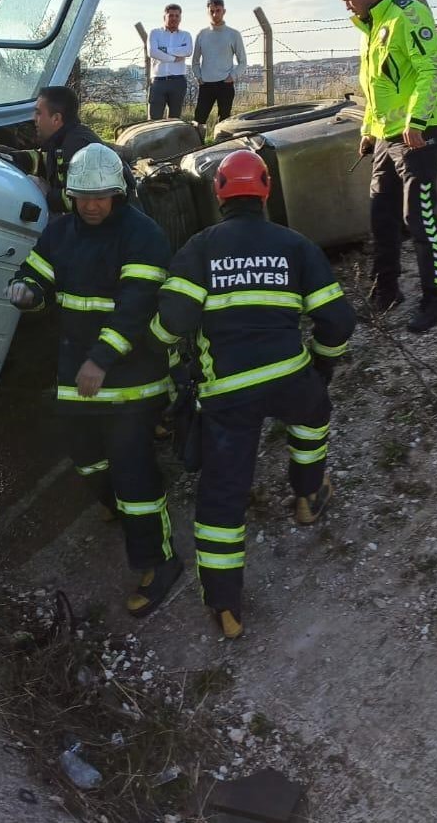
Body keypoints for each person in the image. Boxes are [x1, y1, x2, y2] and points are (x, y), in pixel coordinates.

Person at [152, 150, 355, 639]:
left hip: (229, 395)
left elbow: (171, 324)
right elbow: (337, 320)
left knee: (222, 497)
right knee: (313, 415)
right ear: (266, 190)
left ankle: (226, 607)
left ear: (219, 193)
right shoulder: (295, 245)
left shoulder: (201, 247)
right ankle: (308, 494)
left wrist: (166, 349)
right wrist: (322, 367)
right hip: (289, 377)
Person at [7, 143, 180, 616]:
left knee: (133, 471)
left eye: (101, 197)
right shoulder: (60, 233)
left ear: (118, 193)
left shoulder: (143, 236)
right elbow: (36, 275)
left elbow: (136, 307)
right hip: (77, 376)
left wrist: (100, 360)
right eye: (83, 197)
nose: (92, 206)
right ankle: (114, 503)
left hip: (132, 380)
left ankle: (159, 562)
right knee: (85, 459)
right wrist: (28, 292)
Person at [335, 0, 437, 332]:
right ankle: (386, 290)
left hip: (417, 133)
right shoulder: (371, 28)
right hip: (386, 137)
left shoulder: (407, 14)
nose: (346, 5)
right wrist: (368, 131)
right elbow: (378, 88)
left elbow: (432, 69)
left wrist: (417, 121)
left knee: (418, 216)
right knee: (381, 215)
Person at [0, 85, 134, 213]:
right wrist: (12, 158)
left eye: (38, 113)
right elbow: (45, 159)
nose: (34, 118)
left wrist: (48, 194)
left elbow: (84, 199)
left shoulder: (79, 147)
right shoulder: (62, 140)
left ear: (56, 118)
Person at [191, 0, 248, 130]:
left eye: (218, 10)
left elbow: (243, 62)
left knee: (225, 122)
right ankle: (198, 142)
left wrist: (232, 76)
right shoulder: (201, 34)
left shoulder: (233, 34)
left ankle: (222, 142)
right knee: (198, 120)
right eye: (212, 11)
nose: (215, 14)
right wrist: (198, 77)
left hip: (225, 84)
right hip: (206, 84)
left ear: (224, 11)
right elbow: (195, 61)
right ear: (208, 12)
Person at [147, 4, 192, 120]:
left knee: (174, 119)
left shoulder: (185, 35)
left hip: (178, 81)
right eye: (171, 15)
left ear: (180, 18)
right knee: (154, 118)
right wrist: (174, 58)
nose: (174, 18)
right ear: (164, 17)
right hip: (158, 81)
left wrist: (164, 49)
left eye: (177, 16)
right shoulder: (155, 33)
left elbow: (187, 51)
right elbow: (152, 52)